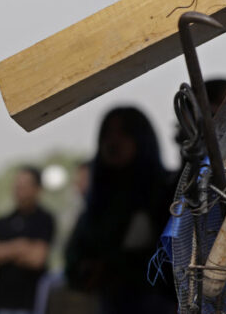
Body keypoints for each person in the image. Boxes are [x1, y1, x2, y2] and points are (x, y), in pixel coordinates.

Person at [64, 107, 176, 314]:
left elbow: (170, 259)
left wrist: (116, 267)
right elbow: (74, 259)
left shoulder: (167, 191)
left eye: (124, 133)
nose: (113, 141)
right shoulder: (98, 203)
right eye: (108, 133)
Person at [0, 167, 55, 314]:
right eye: (17, 186)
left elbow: (38, 258)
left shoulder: (44, 220)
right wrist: (21, 246)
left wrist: (5, 251)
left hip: (32, 304)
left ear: (37, 189)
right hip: (2, 304)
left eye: (24, 186)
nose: (19, 190)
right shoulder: (2, 222)